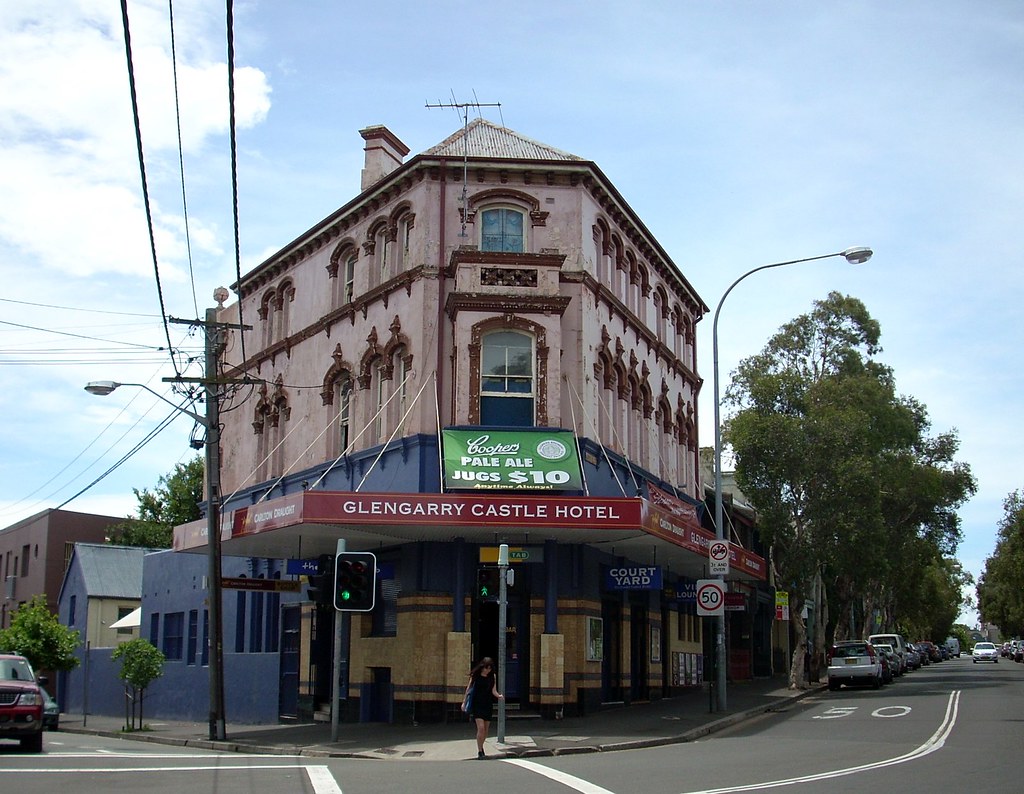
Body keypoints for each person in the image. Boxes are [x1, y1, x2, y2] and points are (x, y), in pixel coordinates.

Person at [464, 656, 504, 759]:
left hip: (487, 704)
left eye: (490, 668)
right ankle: (480, 750)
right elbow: (468, 690)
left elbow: (493, 690)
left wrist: (498, 696)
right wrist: (464, 703)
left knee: (486, 730)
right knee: (480, 728)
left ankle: (482, 747)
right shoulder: (475, 675)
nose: (488, 670)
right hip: (477, 704)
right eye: (486, 668)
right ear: (482, 667)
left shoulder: (492, 677)